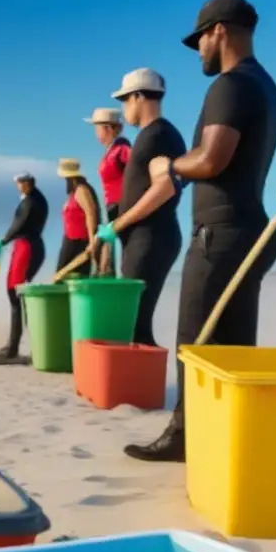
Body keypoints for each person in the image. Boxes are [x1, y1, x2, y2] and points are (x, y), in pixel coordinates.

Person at [123, 0, 276, 462]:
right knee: (233, 350)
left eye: (200, 40)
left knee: (195, 343)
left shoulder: (231, 86)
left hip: (221, 233)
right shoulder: (266, 86)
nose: (198, 51)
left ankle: (184, 436)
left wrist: (169, 165)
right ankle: (228, 439)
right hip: (249, 229)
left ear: (220, 31)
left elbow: (213, 159)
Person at [91, 69, 187, 347]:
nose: (124, 108)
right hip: (144, 239)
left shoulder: (159, 134)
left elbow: (166, 186)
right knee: (135, 324)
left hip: (151, 238)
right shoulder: (153, 135)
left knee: (135, 324)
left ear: (137, 97)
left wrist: (118, 224)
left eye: (125, 100)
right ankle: (138, 388)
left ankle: (141, 389)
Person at [0, 172, 48, 365]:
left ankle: (12, 350)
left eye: (19, 183)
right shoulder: (36, 198)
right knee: (17, 296)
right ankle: (13, 345)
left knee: (15, 295)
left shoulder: (30, 201)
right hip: (28, 247)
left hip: (27, 248)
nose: (18, 186)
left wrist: (3, 241)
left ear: (27, 184)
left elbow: (20, 224)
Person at [85, 108, 131, 273]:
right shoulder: (110, 151)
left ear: (108, 128)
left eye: (97, 127)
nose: (96, 133)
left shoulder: (122, 149)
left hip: (122, 207)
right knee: (107, 256)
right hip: (112, 208)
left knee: (116, 254)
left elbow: (138, 172)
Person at [55, 158, 101, 277]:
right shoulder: (74, 192)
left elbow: (90, 213)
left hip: (78, 242)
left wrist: (92, 241)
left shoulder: (81, 190)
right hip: (70, 239)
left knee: (64, 277)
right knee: (63, 276)